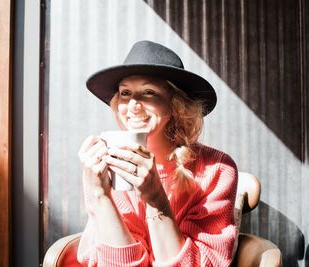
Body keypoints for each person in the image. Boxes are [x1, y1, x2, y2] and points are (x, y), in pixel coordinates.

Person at [77, 40, 238, 266]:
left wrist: (155, 198)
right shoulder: (106, 167)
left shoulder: (217, 169)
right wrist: (99, 195)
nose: (133, 103)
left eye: (148, 92)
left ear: (175, 104)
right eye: (125, 93)